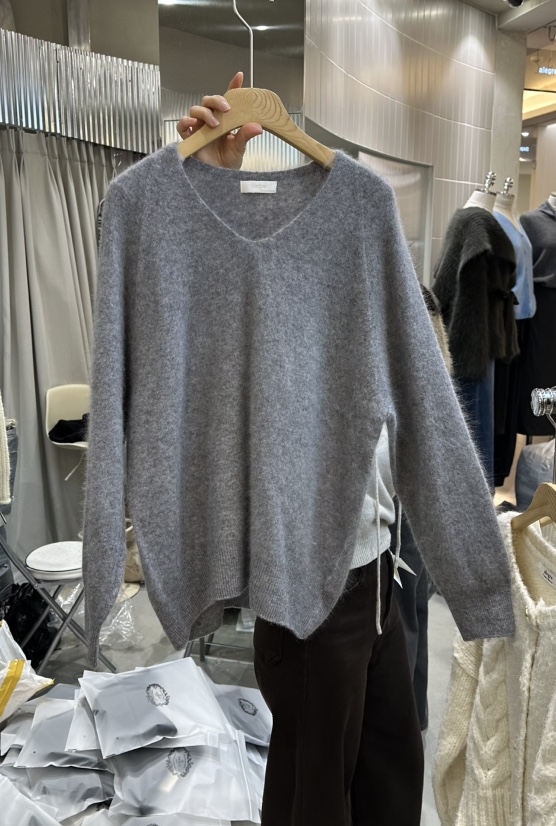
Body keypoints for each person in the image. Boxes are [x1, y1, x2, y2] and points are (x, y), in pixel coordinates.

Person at [177, 73, 424, 826]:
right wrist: (205, 187)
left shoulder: (362, 238)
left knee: (391, 776)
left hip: (381, 571)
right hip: (310, 586)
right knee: (311, 797)